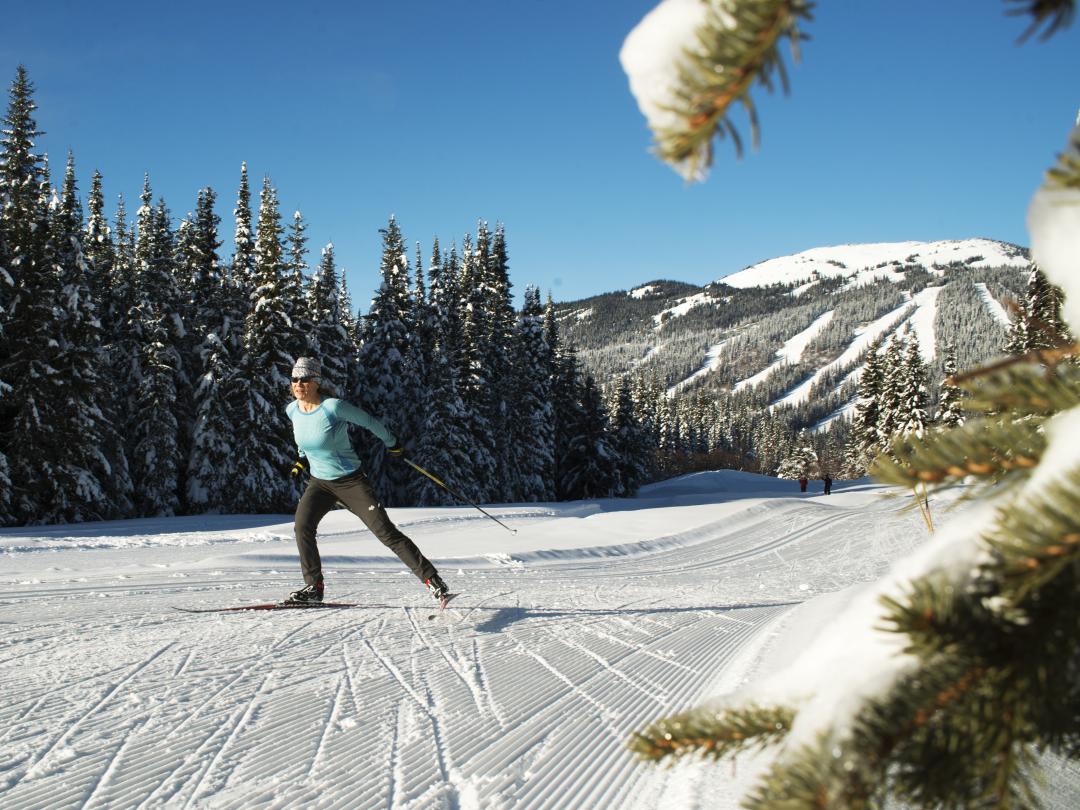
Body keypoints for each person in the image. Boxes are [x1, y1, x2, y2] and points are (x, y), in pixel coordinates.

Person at [284, 356, 449, 604]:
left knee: (385, 533)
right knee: (302, 527)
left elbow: (370, 423)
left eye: (304, 379)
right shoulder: (292, 410)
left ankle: (433, 582)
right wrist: (301, 461)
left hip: (350, 481)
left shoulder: (334, 407)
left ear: (316, 382)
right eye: (295, 379)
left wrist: (392, 444)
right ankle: (313, 588)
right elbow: (305, 444)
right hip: (319, 484)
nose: (298, 384)